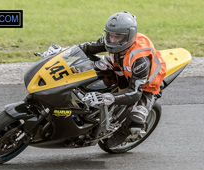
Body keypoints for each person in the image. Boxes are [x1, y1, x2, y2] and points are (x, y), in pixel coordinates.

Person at [38, 11, 167, 148]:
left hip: (147, 85)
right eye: (110, 35)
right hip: (121, 68)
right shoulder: (110, 41)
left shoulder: (140, 60)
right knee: (86, 68)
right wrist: (61, 53)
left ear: (129, 37)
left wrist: (107, 97)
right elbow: (86, 48)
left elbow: (134, 93)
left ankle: (125, 133)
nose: (113, 40)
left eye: (118, 37)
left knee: (137, 118)